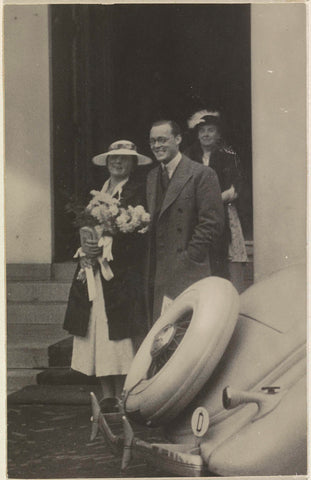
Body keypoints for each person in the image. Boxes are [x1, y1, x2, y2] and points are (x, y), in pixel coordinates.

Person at [63, 140, 152, 411]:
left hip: (120, 274)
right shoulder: (100, 190)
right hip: (94, 271)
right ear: (107, 161)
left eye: (124, 159)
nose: (117, 162)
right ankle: (106, 395)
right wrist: (87, 245)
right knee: (98, 332)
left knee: (120, 335)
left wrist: (113, 239)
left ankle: (126, 395)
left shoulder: (136, 193)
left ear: (133, 163)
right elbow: (85, 224)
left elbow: (140, 232)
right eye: (114, 158)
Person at [145, 120, 224, 323]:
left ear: (178, 139)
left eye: (162, 139)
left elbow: (212, 223)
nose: (156, 146)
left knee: (185, 329)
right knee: (161, 330)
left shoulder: (202, 174)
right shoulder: (152, 176)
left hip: (187, 269)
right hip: (158, 270)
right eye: (152, 141)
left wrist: (190, 258)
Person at [184, 110, 248, 292]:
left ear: (218, 134)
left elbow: (235, 189)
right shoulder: (188, 157)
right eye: (202, 130)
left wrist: (211, 201)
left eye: (211, 130)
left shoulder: (229, 155)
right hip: (195, 215)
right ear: (197, 134)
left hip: (224, 212)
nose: (206, 134)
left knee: (223, 259)